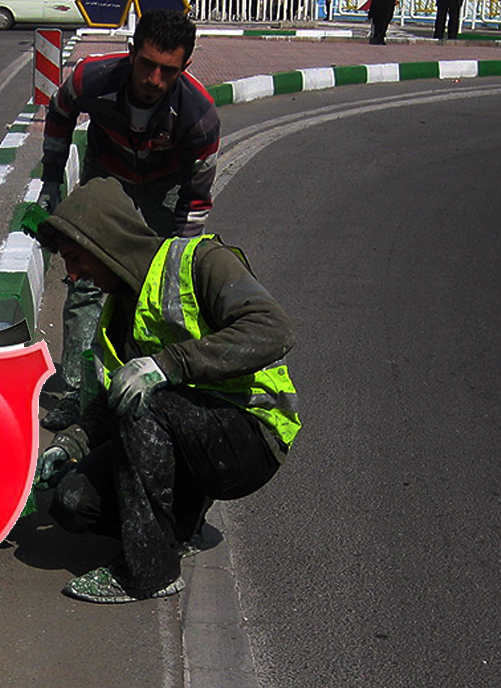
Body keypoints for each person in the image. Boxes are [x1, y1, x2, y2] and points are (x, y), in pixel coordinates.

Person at [31, 177, 301, 604]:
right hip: (176, 434)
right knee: (72, 502)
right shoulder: (119, 313)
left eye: (76, 258)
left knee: (147, 404)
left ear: (105, 242)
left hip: (248, 435)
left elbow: (273, 328)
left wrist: (167, 365)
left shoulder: (201, 261)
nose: (73, 273)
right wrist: (70, 444)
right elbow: (113, 397)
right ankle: (181, 520)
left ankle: (151, 570)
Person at [37, 10, 220, 432]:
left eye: (168, 71)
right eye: (147, 64)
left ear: (185, 68)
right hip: (107, 176)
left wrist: (177, 257)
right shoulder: (91, 79)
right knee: (85, 283)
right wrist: (51, 178)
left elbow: (196, 199)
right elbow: (60, 112)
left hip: (165, 187)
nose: (154, 79)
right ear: (131, 51)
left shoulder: (199, 116)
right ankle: (77, 394)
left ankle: (144, 383)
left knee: (153, 290)